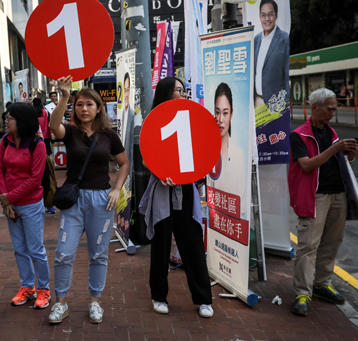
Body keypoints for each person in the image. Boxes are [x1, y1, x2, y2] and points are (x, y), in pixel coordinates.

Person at [47, 76, 130, 325]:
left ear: (98, 108)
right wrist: (64, 96)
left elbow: (124, 163)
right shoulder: (70, 132)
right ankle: (60, 303)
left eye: (89, 105)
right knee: (63, 253)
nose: (84, 109)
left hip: (102, 201)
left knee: (98, 254)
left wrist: (116, 189)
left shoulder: (109, 135)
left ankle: (95, 301)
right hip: (74, 202)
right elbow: (53, 127)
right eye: (79, 104)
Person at [139, 77, 214, 318]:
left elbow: (201, 152)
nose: (182, 94)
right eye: (178, 90)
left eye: (183, 90)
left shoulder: (192, 118)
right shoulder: (152, 121)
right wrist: (159, 173)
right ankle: (158, 296)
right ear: (165, 93)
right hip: (162, 191)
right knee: (160, 246)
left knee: (192, 243)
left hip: (186, 191)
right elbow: (145, 157)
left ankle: (203, 299)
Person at [288, 88, 358, 316]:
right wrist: (334, 149)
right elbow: (307, 165)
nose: (332, 113)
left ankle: (321, 284)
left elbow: (339, 163)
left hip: (338, 194)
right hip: (314, 197)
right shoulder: (298, 135)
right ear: (314, 107)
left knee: (332, 242)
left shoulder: (332, 133)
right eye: (329, 108)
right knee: (308, 245)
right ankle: (302, 293)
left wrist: (350, 155)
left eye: (334, 109)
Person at [0, 103, 51, 310]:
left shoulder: (38, 144)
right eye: (6, 117)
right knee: (20, 249)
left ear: (23, 121)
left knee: (35, 249)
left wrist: (8, 198)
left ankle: (44, 289)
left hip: (30, 204)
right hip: (11, 204)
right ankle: (28, 287)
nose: (6, 120)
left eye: (10, 118)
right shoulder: (5, 140)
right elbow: (0, 171)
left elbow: (35, 180)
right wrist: (6, 200)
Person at [209, 83, 248, 218]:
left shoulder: (239, 154)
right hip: (212, 223)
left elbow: (241, 206)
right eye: (217, 112)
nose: (220, 119)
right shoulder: (208, 151)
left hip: (231, 227)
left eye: (225, 113)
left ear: (231, 114)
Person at [253, 0, 290, 109]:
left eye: (270, 14)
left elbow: (287, 74)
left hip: (276, 104)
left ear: (276, 15)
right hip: (258, 102)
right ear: (260, 17)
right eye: (263, 15)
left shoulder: (284, 38)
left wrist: (285, 105)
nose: (267, 19)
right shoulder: (256, 40)